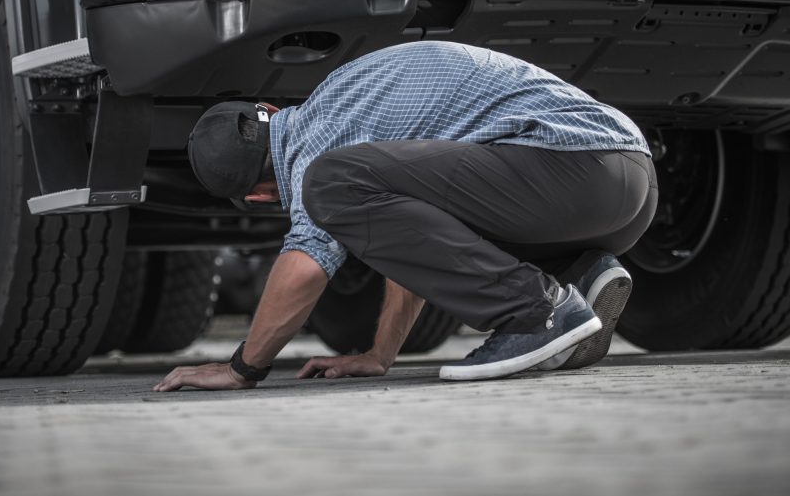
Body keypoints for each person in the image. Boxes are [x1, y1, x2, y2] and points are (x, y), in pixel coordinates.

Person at [153, 41, 657, 391]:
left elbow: (305, 266)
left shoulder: (315, 158)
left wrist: (243, 368)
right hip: (626, 185)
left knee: (331, 183)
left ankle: (537, 312)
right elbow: (419, 237)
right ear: (267, 108)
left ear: (258, 199)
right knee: (372, 188)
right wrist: (381, 354)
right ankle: (579, 276)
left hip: (573, 173)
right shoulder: (340, 91)